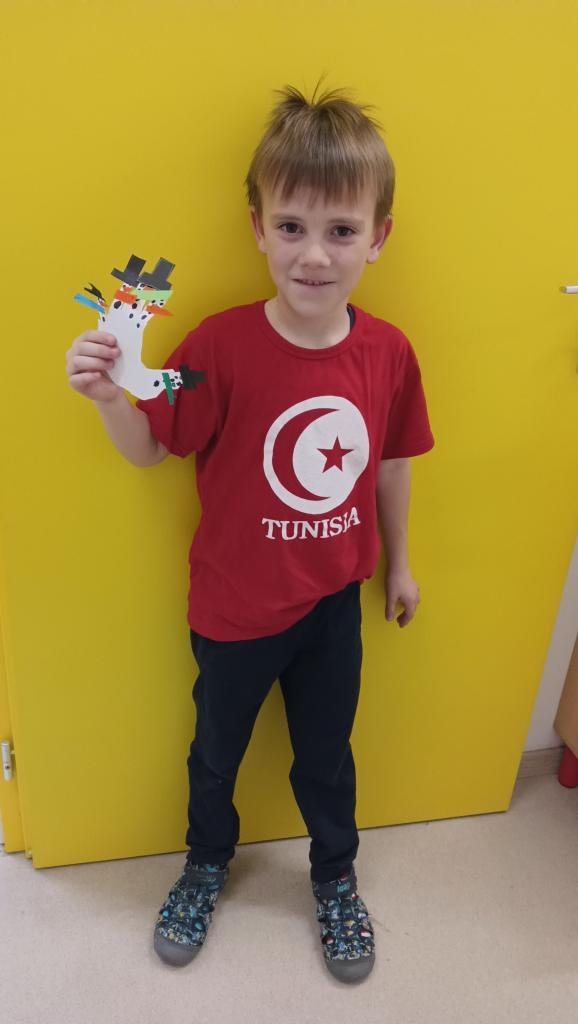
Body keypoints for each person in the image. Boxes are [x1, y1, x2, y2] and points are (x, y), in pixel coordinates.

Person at [65, 81, 435, 985]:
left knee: (326, 759)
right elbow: (154, 448)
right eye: (292, 226)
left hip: (332, 608)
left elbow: (392, 463)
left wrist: (400, 564)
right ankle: (205, 863)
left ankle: (335, 876)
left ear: (378, 237)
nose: (314, 254)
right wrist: (111, 398)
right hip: (231, 609)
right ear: (258, 229)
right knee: (215, 755)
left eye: (341, 230)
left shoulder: (388, 353)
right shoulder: (219, 347)